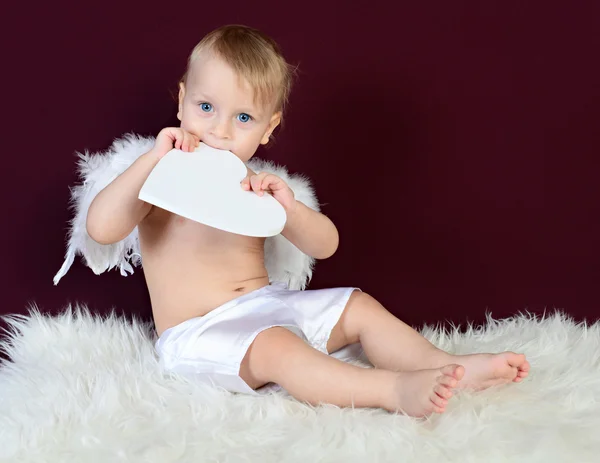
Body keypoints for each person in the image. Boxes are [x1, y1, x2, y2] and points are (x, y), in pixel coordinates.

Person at [86, 24, 529, 417]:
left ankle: (442, 365)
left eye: (243, 118)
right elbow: (101, 228)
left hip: (269, 307)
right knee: (278, 347)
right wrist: (152, 159)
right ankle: (391, 389)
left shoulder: (256, 184)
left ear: (268, 128)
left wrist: (290, 208)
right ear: (182, 100)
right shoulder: (162, 175)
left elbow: (325, 245)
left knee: (358, 305)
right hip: (199, 334)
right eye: (206, 107)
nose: (219, 131)